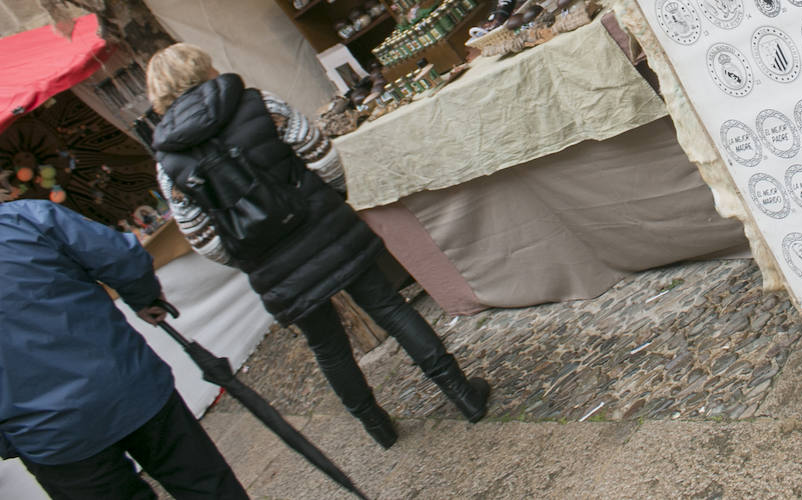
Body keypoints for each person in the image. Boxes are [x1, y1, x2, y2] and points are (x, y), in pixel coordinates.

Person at [146, 44, 490, 448]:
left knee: (327, 346)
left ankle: (379, 429)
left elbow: (203, 240)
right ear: (204, 68)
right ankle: (463, 396)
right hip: (323, 226)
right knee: (389, 308)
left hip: (270, 264)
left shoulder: (167, 164)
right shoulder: (256, 102)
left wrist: (250, 251)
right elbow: (321, 156)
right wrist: (329, 202)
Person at [0, 198, 248, 499]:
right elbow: (122, 259)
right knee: (207, 486)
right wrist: (145, 298)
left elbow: (119, 258)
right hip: (120, 388)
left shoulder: (27, 217)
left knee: (206, 485)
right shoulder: (25, 217)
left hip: (56, 430)